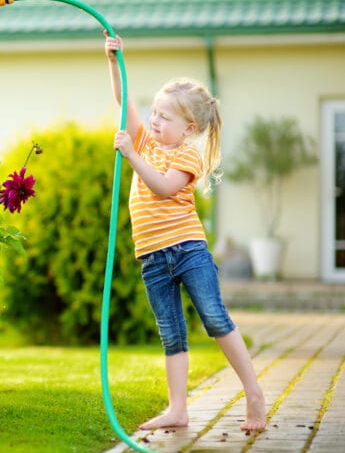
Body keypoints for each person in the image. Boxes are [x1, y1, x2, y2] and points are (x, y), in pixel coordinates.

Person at [104, 33, 266, 432]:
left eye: (164, 117)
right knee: (170, 334)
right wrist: (113, 60)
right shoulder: (147, 140)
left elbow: (161, 186)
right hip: (152, 257)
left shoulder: (186, 154)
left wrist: (130, 156)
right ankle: (177, 410)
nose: (154, 121)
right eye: (154, 113)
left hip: (187, 250)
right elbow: (124, 103)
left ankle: (254, 394)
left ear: (188, 127)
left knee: (214, 317)